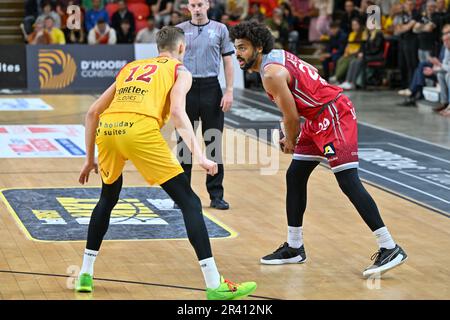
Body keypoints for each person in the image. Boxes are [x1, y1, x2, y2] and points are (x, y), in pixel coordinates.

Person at [74, 26, 256, 300]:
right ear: (182, 48)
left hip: (109, 130)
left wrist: (90, 160)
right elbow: (177, 113)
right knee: (190, 202)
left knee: (108, 198)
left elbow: (92, 112)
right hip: (139, 131)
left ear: (157, 48)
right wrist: (200, 156)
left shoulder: (131, 68)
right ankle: (214, 284)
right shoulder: (180, 71)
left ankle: (85, 273)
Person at [229, 21, 408, 277]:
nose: (238, 53)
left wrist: (290, 139)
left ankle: (389, 246)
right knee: (295, 175)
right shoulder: (275, 59)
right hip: (316, 118)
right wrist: (289, 134)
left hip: (334, 114)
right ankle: (294, 246)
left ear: (258, 47)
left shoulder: (271, 74)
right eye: (236, 48)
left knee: (348, 181)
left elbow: (291, 118)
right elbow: (293, 108)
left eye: (243, 48)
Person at [176, 0, 235, 210]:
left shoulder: (220, 29)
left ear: (208, 5)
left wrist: (229, 90)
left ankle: (216, 195)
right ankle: (182, 196)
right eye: (193, 5)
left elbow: (228, 60)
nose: (197, 9)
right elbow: (171, 63)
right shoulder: (179, 30)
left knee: (213, 143)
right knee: (184, 145)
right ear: (188, 8)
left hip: (212, 87)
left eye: (200, 4)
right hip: (186, 87)